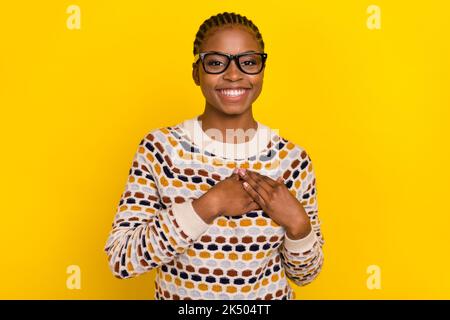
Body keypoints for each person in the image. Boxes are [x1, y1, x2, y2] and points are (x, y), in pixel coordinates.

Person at [104, 11, 325, 300]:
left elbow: (305, 275)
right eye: (216, 63)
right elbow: (122, 259)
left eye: (248, 62)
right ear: (196, 72)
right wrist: (209, 205)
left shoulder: (292, 160)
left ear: (261, 71)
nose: (234, 74)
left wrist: (299, 225)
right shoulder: (160, 150)